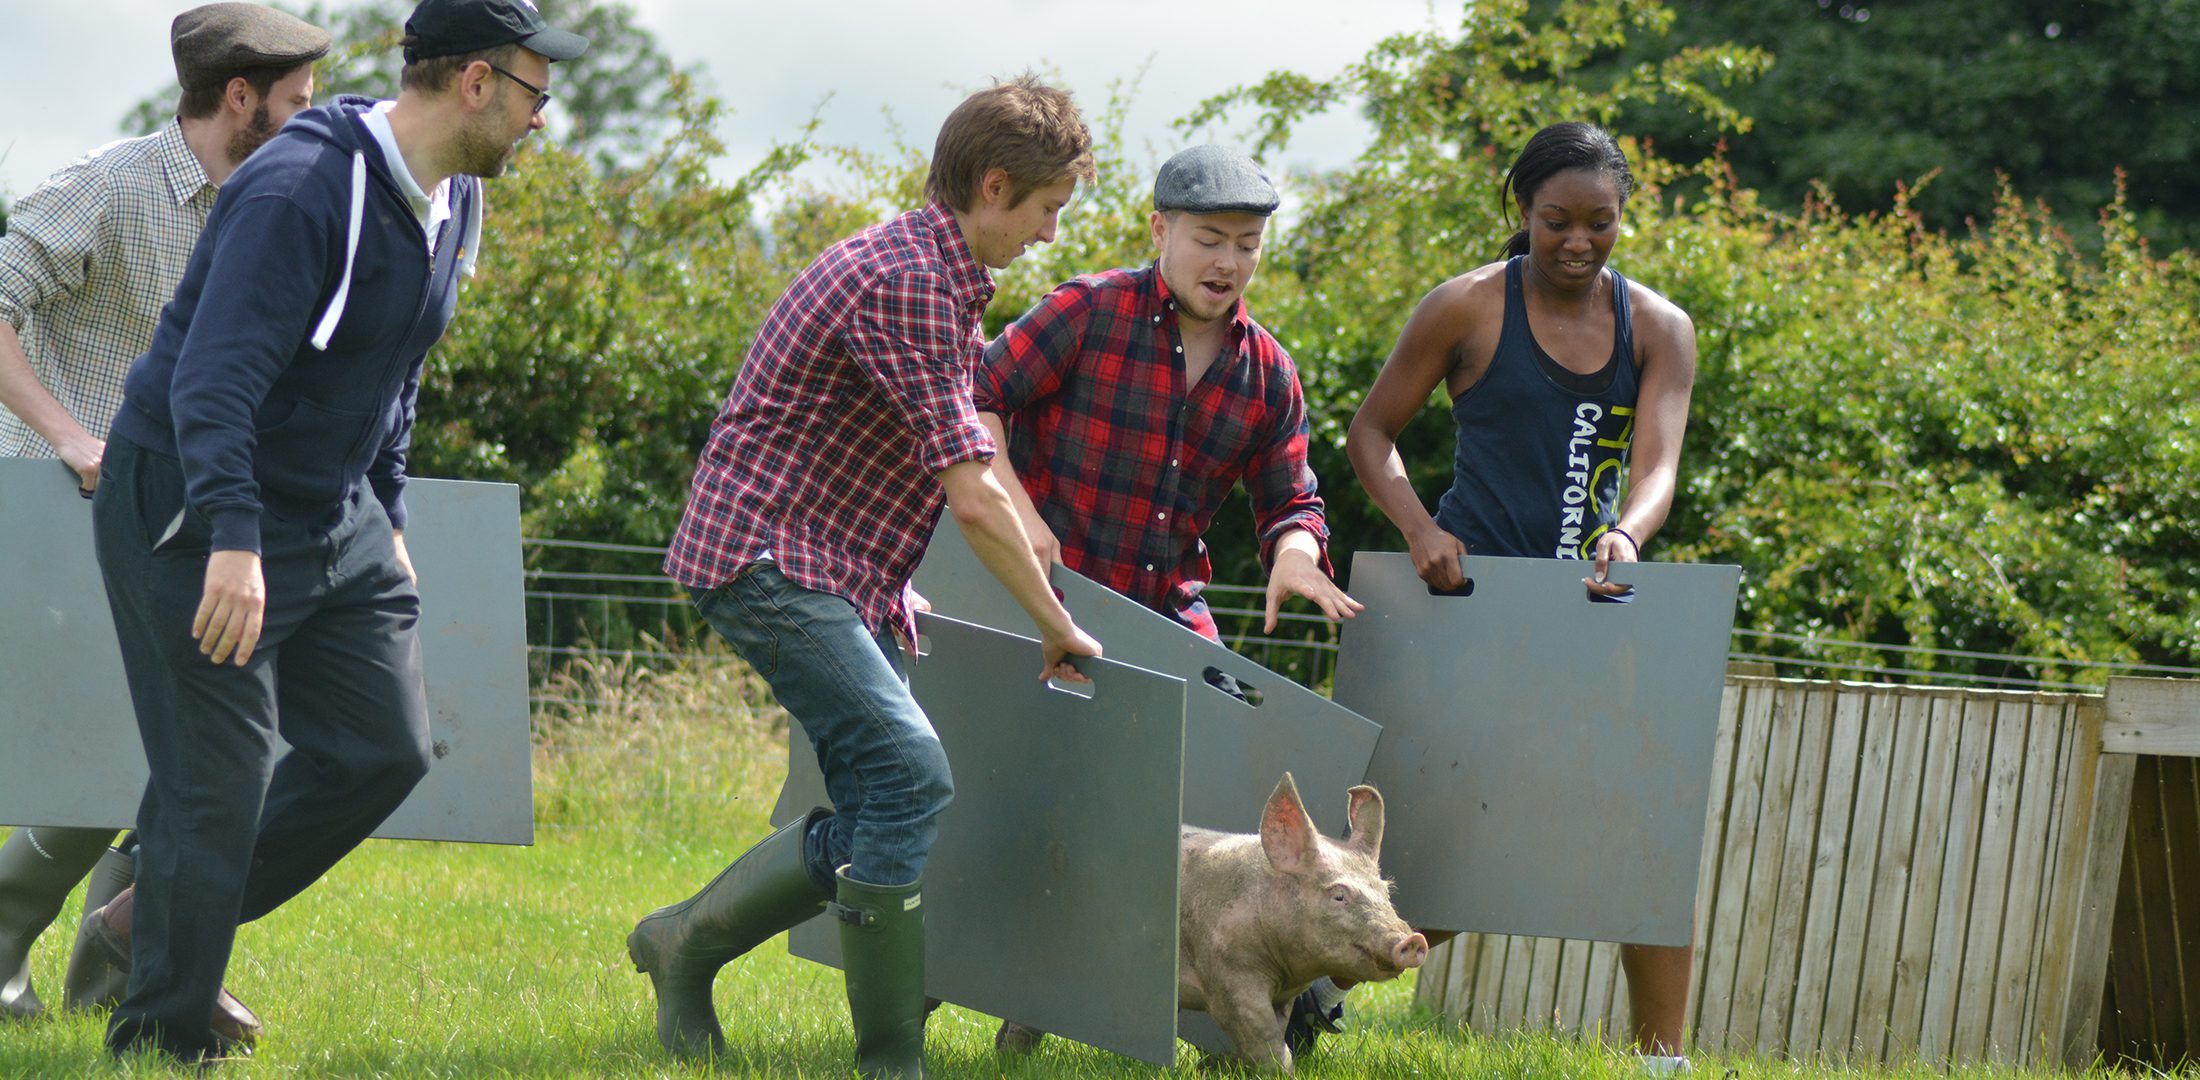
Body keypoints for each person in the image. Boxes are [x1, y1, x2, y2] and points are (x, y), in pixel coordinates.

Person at [81, 0, 586, 1062]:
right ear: (476, 85)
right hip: (191, 502)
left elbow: (392, 368)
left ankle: (146, 924)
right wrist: (231, 538)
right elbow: (214, 378)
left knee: (382, 749)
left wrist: (388, 515)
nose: (547, 118)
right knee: (215, 787)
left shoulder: (455, 200)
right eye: (537, 91)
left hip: (333, 509)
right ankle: (161, 1036)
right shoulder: (300, 187)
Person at [631, 75, 1102, 1080]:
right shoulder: (910, 282)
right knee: (910, 774)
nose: (1051, 236)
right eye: (1048, 210)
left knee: (877, 809)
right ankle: (892, 1062)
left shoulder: (932, 273)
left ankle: (682, 943)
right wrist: (1055, 623)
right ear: (991, 185)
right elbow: (973, 495)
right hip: (766, 560)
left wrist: (895, 585)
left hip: (832, 568)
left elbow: (897, 455)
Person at [972, 143, 1363, 1056]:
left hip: (1168, 615)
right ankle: (988, 987)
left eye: (1249, 245)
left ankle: (1244, 1004)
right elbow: (975, 393)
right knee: (1028, 802)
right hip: (1048, 598)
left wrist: (1297, 553)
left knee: (1192, 816)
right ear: (1161, 232)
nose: (1229, 262)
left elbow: (1292, 499)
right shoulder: (1087, 310)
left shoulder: (1269, 371)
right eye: (1210, 239)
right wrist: (1020, 515)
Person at [0, 1, 329, 1035]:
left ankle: (118, 977)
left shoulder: (282, 198)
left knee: (189, 753)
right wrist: (69, 436)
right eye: (297, 103)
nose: (315, 123)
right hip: (72, 506)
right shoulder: (107, 187)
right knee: (118, 750)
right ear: (241, 99)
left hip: (202, 518)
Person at [1344, 121, 1700, 1073]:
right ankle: (1309, 988)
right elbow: (1370, 434)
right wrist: (1422, 530)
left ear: (1625, 218)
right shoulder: (1465, 308)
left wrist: (1627, 534)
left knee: (1646, 833)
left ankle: (1660, 1061)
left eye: (1600, 222)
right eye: (1556, 222)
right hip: (1467, 607)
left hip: (1592, 608)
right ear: (1522, 212)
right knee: (1452, 856)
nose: (1578, 242)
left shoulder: (1660, 327)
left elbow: (1660, 467)